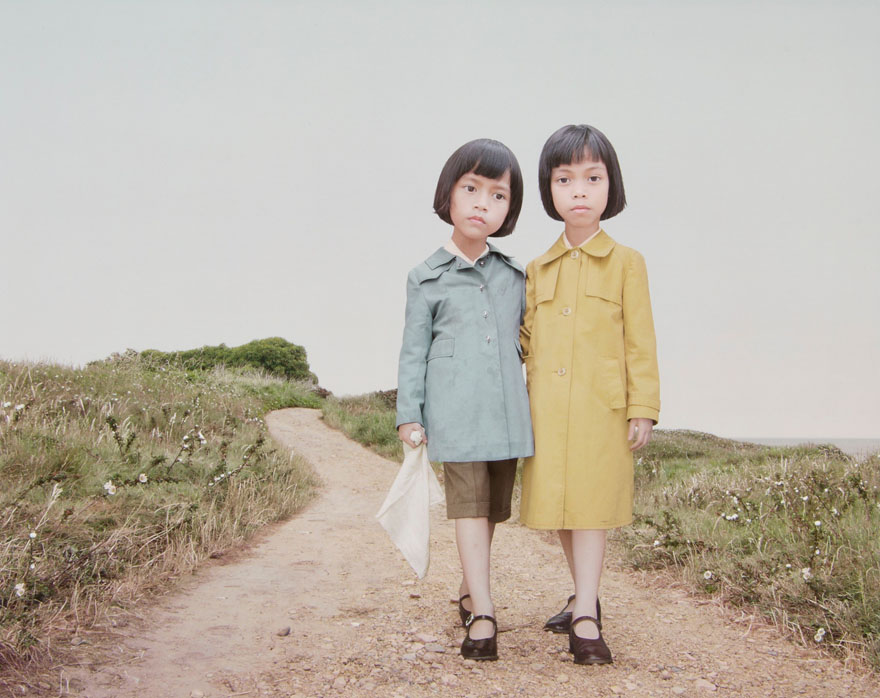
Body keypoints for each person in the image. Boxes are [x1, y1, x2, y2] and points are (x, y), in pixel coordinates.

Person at [519, 124, 660, 665]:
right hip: (546, 413)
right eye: (565, 178)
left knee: (593, 509)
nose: (579, 190)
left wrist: (643, 407)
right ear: (549, 190)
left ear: (611, 187)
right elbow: (526, 341)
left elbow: (640, 341)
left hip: (604, 410)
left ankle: (584, 619)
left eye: (592, 177)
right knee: (557, 507)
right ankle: (586, 595)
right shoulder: (536, 269)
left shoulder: (629, 263)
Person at [396, 138, 534, 661]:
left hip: (504, 417)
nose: (482, 204)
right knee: (469, 509)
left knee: (492, 509)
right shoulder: (426, 277)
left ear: (509, 209)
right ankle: (484, 613)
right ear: (448, 196)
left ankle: (468, 586)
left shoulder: (516, 276)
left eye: (498, 196)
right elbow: (413, 351)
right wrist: (409, 415)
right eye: (471, 189)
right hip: (453, 418)